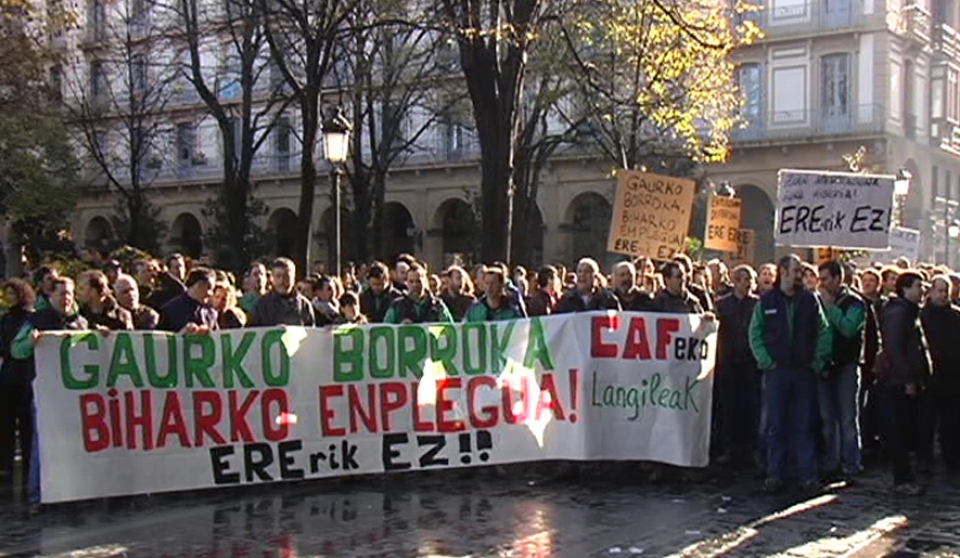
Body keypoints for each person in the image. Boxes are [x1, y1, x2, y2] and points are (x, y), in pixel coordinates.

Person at [748, 254, 832, 494]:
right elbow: (755, 334)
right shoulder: (767, 301)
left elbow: (823, 331)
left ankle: (808, 476)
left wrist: (817, 360)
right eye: (796, 271)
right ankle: (775, 474)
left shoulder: (809, 300)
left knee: (804, 424)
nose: (800, 276)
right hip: (777, 373)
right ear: (783, 272)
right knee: (776, 425)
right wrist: (766, 360)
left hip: (803, 371)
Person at [10, 278, 89, 508]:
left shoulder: (81, 322)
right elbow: (17, 350)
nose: (67, 298)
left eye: (70, 294)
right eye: (62, 293)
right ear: (50, 296)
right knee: (42, 444)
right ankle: (38, 495)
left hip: (74, 394)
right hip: (47, 393)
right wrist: (29, 342)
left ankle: (70, 491)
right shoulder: (36, 320)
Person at [881, 270, 931, 494]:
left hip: (913, 380)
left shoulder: (911, 312)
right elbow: (895, 350)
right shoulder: (898, 313)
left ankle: (907, 475)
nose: (922, 291)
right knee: (900, 431)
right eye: (918, 286)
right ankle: (902, 478)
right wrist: (907, 379)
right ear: (905, 289)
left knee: (909, 429)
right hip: (900, 382)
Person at [817, 260, 866, 482]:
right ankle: (831, 461)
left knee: (847, 418)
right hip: (825, 365)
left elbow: (848, 328)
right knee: (828, 418)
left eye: (826, 279)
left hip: (846, 365)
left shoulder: (856, 302)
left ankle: (851, 463)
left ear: (838, 279)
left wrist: (831, 309)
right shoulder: (817, 301)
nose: (822, 284)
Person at [714, 265, 760, 465]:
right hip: (729, 363)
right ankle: (729, 447)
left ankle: (752, 448)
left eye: (749, 279)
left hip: (752, 362)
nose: (747, 283)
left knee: (752, 406)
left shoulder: (759, 304)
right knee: (729, 407)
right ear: (734, 282)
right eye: (742, 279)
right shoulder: (722, 305)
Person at [920, 275, 960, 473]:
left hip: (952, 376)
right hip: (928, 375)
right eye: (939, 290)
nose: (943, 295)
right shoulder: (922, 315)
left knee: (951, 421)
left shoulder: (956, 316)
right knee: (926, 419)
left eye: (946, 290)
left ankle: (951, 458)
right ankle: (925, 458)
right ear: (931, 291)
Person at [0, 279, 35, 486]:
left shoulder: (31, 318)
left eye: (14, 294)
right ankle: (5, 464)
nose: (11, 298)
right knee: (5, 422)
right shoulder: (5, 319)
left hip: (26, 376)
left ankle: (29, 465)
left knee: (26, 424)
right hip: (8, 376)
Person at [250, 258, 316, 327]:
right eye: (278, 276)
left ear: (294, 277)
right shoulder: (261, 305)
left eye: (286, 277)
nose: (282, 281)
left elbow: (312, 333)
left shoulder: (304, 305)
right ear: (272, 278)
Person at [384, 263, 454, 324]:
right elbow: (385, 330)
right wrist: (400, 328)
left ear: (425, 281)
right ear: (406, 283)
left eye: (418, 281)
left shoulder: (437, 305)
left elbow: (450, 329)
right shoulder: (397, 306)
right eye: (411, 281)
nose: (415, 285)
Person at [159, 268, 219, 333]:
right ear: (198, 285)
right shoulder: (170, 310)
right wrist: (180, 335)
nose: (211, 294)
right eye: (209, 288)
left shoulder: (211, 313)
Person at [556, 258, 621, 313]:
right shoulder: (566, 300)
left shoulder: (609, 299)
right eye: (579, 271)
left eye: (586, 271)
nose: (582, 275)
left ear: (595, 277)